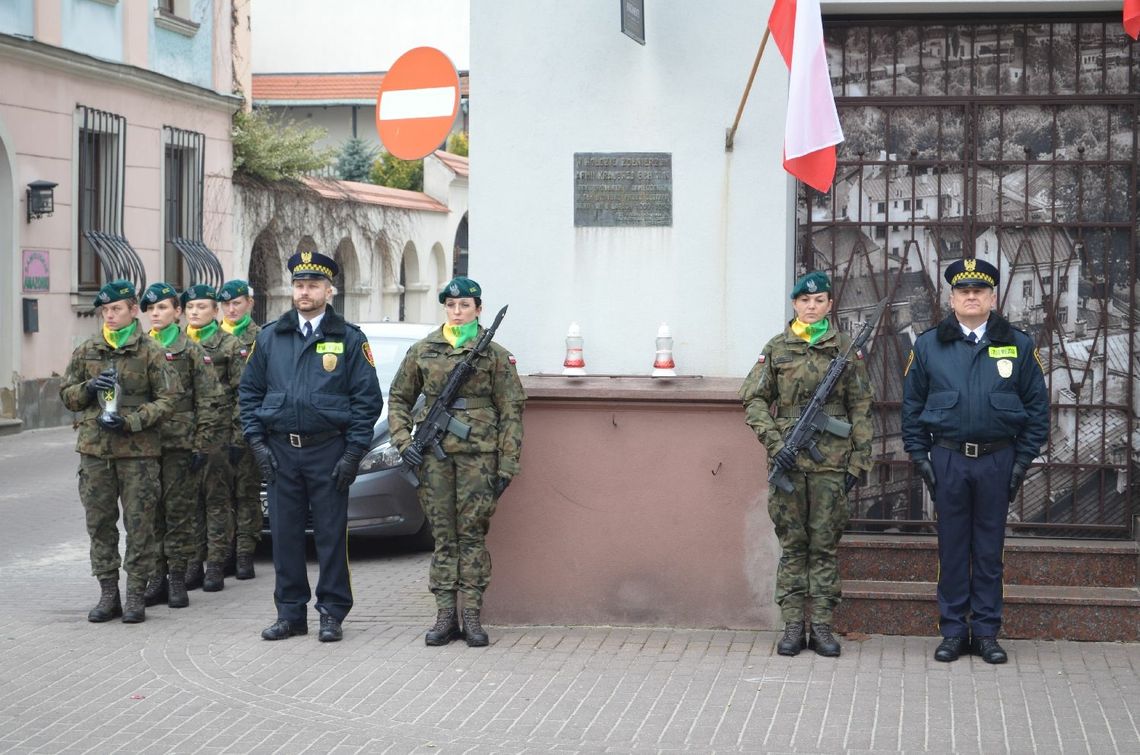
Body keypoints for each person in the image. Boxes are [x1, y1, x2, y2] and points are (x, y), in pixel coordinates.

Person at [902, 258, 1048, 664]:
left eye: (979, 291)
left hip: (997, 460)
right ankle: (952, 631)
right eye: (963, 291)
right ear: (951, 298)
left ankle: (985, 632)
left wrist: (1020, 462)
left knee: (988, 550)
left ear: (992, 297)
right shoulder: (929, 345)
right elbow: (911, 409)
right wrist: (920, 458)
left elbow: (1038, 410)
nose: (971, 296)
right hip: (947, 458)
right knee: (951, 549)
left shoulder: (1019, 345)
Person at [239, 251, 382, 642]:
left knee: (330, 535)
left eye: (313, 285)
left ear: (328, 290)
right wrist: (258, 445)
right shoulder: (270, 336)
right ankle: (290, 615)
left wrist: (353, 453)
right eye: (299, 285)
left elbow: (367, 400)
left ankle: (331, 613)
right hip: (281, 450)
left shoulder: (348, 338)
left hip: (328, 450)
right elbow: (249, 394)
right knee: (284, 536)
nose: (305, 291)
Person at [739, 271, 874, 658]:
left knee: (825, 547)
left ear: (830, 305)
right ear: (795, 304)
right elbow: (753, 400)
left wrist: (857, 463)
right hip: (789, 462)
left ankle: (823, 627)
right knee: (794, 546)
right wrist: (775, 443)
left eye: (819, 301)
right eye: (804, 301)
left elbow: (861, 408)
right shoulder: (778, 347)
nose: (811, 307)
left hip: (832, 465)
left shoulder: (846, 350)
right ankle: (794, 625)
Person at [388, 276, 527, 648]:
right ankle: (445, 615)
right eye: (451, 306)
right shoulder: (423, 350)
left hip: (479, 459)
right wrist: (404, 443)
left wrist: (507, 464)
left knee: (472, 536)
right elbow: (399, 399)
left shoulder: (495, 355)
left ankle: (472, 616)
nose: (457, 311)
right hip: (433, 459)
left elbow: (511, 412)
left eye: (465, 305)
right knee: (443, 537)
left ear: (478, 310)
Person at [59, 280, 180, 623]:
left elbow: (169, 400)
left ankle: (136, 593)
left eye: (116, 309)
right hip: (95, 451)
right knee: (99, 524)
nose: (109, 316)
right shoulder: (87, 350)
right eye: (104, 311)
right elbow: (67, 395)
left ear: (131, 310)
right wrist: (87, 388)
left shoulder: (151, 351)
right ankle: (108, 592)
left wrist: (133, 421)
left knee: (140, 525)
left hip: (138, 454)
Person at [139, 282, 226, 609]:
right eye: (151, 309)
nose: (156, 314)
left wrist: (202, 444)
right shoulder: (141, 348)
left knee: (178, 512)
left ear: (177, 312)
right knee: (150, 513)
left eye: (162, 308)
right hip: (144, 445)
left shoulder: (190, 349)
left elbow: (210, 398)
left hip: (180, 444)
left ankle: (177, 577)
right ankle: (154, 577)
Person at [183, 283, 245, 593]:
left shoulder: (229, 345)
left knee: (216, 501)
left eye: (202, 307)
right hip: (184, 436)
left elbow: (240, 395)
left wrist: (236, 437)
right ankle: (194, 562)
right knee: (189, 503)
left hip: (218, 433)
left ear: (214, 311)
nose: (195, 312)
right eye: (191, 307)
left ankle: (217, 564)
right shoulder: (176, 344)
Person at [219, 279, 262, 580]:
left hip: (247, 426)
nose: (231, 309)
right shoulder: (211, 336)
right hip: (214, 430)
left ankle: (246, 553)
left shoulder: (261, 337)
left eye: (237, 303)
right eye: (226, 304)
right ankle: (223, 551)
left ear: (249, 303)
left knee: (246, 493)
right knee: (218, 496)